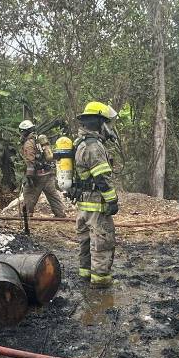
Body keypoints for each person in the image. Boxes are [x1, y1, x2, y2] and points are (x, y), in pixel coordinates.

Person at [72, 102, 119, 288]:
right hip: (96, 204)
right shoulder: (94, 147)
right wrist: (112, 201)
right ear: (100, 123)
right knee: (102, 241)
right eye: (108, 123)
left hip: (84, 203)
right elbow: (102, 178)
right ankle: (100, 281)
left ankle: (85, 274)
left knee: (85, 241)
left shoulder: (80, 143)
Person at [18, 120, 67, 218]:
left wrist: (30, 176)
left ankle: (26, 216)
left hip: (37, 176)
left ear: (25, 131)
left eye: (22, 131)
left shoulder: (29, 143)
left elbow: (30, 160)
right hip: (48, 173)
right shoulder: (38, 140)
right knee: (53, 196)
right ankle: (60, 214)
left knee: (29, 194)